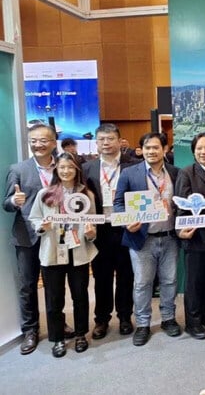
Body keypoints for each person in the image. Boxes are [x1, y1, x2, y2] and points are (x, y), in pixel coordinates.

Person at [3, 123, 74, 354]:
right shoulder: (18, 169)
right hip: (28, 236)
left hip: (57, 235)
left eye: (43, 140)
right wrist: (14, 201)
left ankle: (57, 324)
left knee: (55, 286)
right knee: (28, 285)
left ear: (53, 142)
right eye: (33, 140)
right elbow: (6, 203)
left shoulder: (64, 166)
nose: (38, 145)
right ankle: (30, 330)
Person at [113, 132, 181, 346]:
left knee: (170, 281)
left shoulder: (175, 172)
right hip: (141, 239)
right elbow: (118, 203)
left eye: (156, 147)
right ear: (141, 150)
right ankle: (143, 324)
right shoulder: (129, 173)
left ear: (165, 149)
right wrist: (126, 222)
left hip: (170, 237)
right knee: (142, 283)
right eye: (147, 148)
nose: (151, 151)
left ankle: (168, 318)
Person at [28, 152, 98, 358]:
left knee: (80, 295)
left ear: (77, 169)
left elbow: (92, 223)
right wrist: (41, 226)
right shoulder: (45, 194)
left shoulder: (86, 195)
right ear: (56, 170)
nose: (66, 171)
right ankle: (57, 338)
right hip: (52, 251)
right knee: (54, 298)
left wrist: (91, 233)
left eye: (70, 167)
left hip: (78, 251)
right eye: (62, 167)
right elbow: (34, 218)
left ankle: (81, 334)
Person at [83, 123, 138, 340]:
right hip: (100, 230)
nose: (106, 143)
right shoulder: (86, 168)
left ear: (120, 141)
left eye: (110, 139)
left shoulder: (133, 166)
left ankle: (125, 317)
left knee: (126, 275)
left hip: (125, 227)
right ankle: (102, 319)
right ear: (96, 143)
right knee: (101, 276)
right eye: (101, 139)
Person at [174, 133, 205, 339]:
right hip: (195, 235)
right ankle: (193, 322)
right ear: (193, 152)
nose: (203, 152)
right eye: (199, 149)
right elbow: (181, 205)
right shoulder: (187, 172)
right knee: (194, 282)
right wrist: (180, 231)